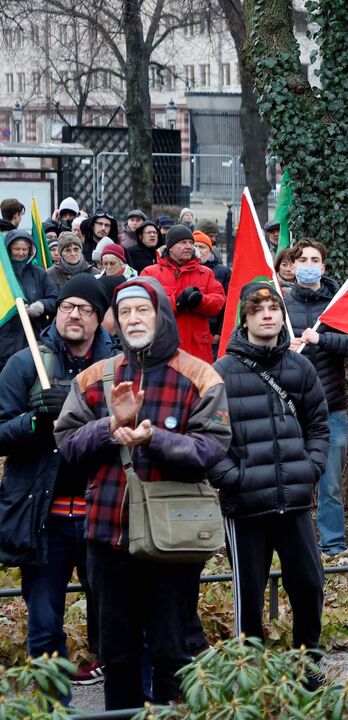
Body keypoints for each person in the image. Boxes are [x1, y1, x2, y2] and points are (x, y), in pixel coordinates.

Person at [54, 276, 231, 710]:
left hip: (172, 540)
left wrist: (155, 439)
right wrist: (110, 427)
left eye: (142, 310)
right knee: (117, 653)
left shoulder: (199, 375)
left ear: (161, 314)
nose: (134, 319)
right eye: (126, 311)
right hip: (107, 536)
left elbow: (213, 448)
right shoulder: (97, 377)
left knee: (173, 649)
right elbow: (68, 443)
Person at [0, 275, 113, 692]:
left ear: (99, 319)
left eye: (85, 309)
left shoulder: (116, 364)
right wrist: (32, 421)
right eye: (68, 307)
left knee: (114, 622)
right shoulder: (27, 363)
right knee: (44, 626)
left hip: (103, 515)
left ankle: (122, 705)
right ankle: (54, 708)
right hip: (44, 519)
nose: (75, 315)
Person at [210, 282, 329, 656]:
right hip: (246, 505)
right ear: (244, 319)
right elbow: (209, 437)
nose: (267, 315)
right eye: (257, 309)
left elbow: (318, 426)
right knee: (249, 594)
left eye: (273, 308)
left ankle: (309, 663)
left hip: (294, 500)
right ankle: (251, 672)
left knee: (310, 585)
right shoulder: (223, 371)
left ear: (282, 316)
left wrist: (310, 467)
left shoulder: (301, 367)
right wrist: (234, 478)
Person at [283, 239, 348, 559]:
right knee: (294, 482)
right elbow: (254, 346)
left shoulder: (338, 304)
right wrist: (282, 348)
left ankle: (333, 546)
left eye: (314, 259)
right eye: (302, 259)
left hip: (331, 407)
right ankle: (297, 547)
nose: (308, 264)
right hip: (289, 408)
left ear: (323, 267)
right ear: (292, 267)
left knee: (330, 484)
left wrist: (323, 339)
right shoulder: (279, 304)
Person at [140, 225, 227, 363]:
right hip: (165, 350)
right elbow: (145, 305)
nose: (189, 246)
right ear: (170, 247)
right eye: (183, 242)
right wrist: (177, 303)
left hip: (198, 351)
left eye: (191, 243)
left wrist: (200, 301)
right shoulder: (150, 273)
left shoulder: (205, 273)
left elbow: (219, 301)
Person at [0, 230, 58, 367]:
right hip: (4, 344)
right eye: (16, 249)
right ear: (8, 249)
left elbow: (55, 300)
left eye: (25, 249)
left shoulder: (40, 274)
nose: (21, 253)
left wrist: (40, 306)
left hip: (33, 340)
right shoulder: (2, 276)